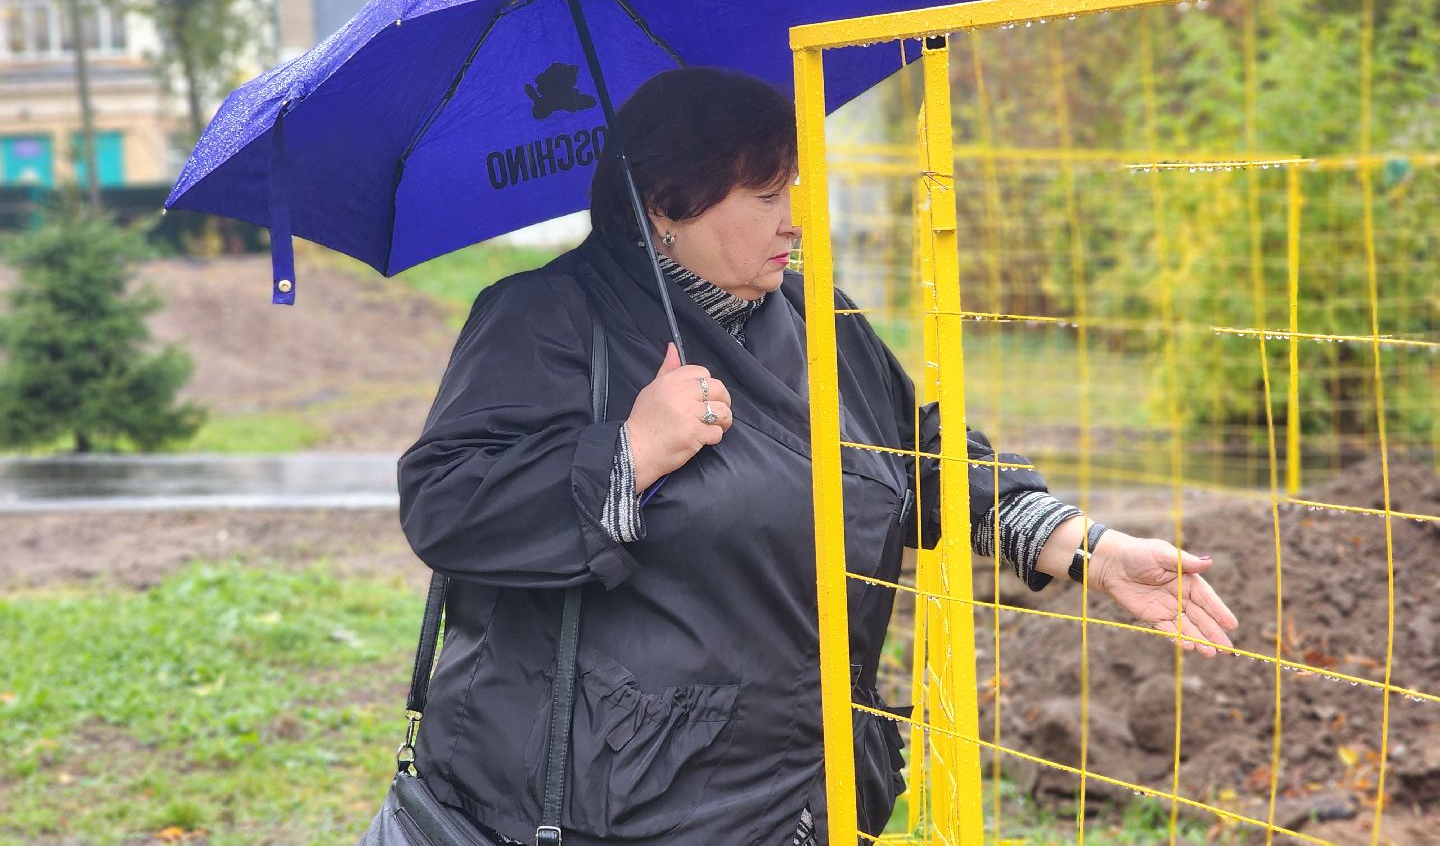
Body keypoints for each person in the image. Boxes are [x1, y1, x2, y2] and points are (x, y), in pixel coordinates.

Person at [397, 67, 1239, 846]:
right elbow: (445, 505)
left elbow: (923, 464)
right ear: (666, 204)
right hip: (618, 800)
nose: (795, 218)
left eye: (793, 187)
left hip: (802, 784)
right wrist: (628, 453)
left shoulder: (815, 317)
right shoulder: (544, 316)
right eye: (766, 194)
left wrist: (1092, 552)